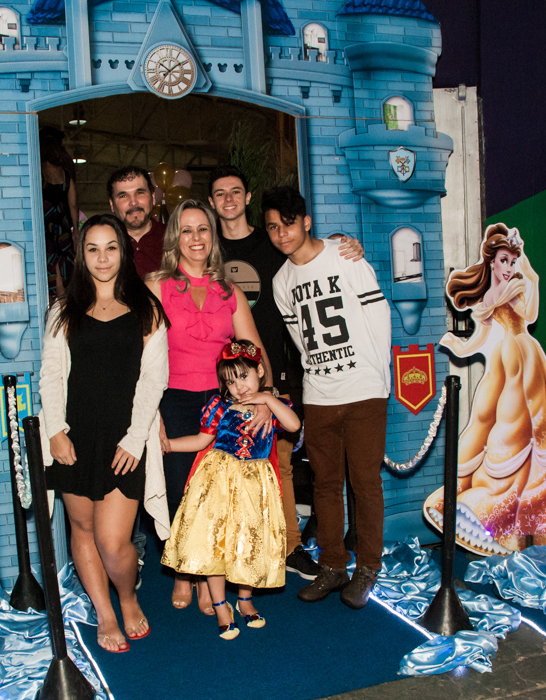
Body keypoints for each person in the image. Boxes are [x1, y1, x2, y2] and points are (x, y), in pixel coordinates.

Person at [207, 165, 363, 581]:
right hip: (222, 380)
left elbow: (309, 248)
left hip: (273, 370)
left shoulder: (272, 241)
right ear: (211, 202)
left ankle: (292, 546)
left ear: (247, 196)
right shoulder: (207, 247)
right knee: (221, 468)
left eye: (235, 191)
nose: (228, 200)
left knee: (281, 465)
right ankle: (232, 553)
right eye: (220, 193)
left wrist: (344, 242)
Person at [426, 223, 546, 555]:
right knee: (492, 421)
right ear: (492, 262)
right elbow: (481, 331)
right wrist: (460, 346)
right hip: (507, 356)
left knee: (542, 423)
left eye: (511, 261)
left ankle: (534, 513)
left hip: (526, 352)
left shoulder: (513, 286)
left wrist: (529, 271)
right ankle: (488, 508)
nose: (508, 267)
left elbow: (529, 312)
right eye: (503, 260)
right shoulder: (494, 294)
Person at [40, 214, 170, 653]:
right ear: (82, 255)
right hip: (75, 437)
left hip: (124, 440)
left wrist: (134, 439)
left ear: (123, 251)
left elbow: (154, 380)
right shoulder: (63, 312)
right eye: (92, 249)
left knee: (113, 542)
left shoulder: (147, 310)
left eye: (110, 247)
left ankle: (127, 597)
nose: (102, 257)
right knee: (82, 530)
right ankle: (105, 613)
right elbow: (50, 376)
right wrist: (56, 431)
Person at [262, 186, 391, 609]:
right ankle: (333, 565)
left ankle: (367, 566)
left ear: (306, 222)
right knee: (325, 483)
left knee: (365, 482)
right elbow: (299, 339)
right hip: (319, 393)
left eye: (288, 224)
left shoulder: (344, 256)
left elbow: (378, 315)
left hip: (364, 389)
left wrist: (380, 378)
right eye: (273, 227)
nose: (282, 234)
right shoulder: (281, 281)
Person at [146, 198, 271, 614]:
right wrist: (149, 413)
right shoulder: (156, 286)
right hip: (172, 400)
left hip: (222, 403)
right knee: (179, 490)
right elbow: (141, 357)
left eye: (203, 229)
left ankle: (205, 575)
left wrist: (265, 399)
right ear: (175, 238)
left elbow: (254, 350)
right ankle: (184, 570)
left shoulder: (229, 291)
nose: (196, 237)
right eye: (187, 230)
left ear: (213, 237)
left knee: (214, 495)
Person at [162, 340, 301, 639]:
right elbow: (201, 440)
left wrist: (267, 398)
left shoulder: (271, 407)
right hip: (218, 484)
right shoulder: (219, 406)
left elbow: (293, 425)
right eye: (230, 381)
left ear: (260, 371)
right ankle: (220, 604)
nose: (239, 387)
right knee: (216, 542)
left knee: (249, 542)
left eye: (244, 376)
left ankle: (245, 599)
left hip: (255, 487)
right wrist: (169, 445)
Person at [41, 131, 80, 300]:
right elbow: (73, 205)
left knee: (49, 263)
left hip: (44, 228)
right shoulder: (65, 175)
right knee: (65, 263)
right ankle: (65, 299)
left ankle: (53, 299)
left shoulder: (39, 173)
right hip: (62, 229)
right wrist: (75, 230)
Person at [108, 166, 165, 278]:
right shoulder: (103, 245)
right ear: (112, 204)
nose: (133, 202)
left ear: (153, 197)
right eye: (123, 196)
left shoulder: (175, 239)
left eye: (140, 193)